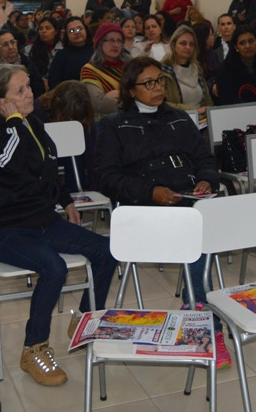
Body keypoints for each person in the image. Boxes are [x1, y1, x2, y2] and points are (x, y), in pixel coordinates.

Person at [0, 65, 115, 386]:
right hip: (3, 229)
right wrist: (14, 121)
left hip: (43, 221)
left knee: (107, 251)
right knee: (54, 268)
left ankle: (83, 321)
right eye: (20, 90)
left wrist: (66, 201)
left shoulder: (34, 124)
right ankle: (33, 348)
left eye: (29, 86)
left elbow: (49, 169)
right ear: (0, 101)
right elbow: (6, 162)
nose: (30, 94)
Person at [92, 57, 230, 368]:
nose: (158, 88)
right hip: (143, 211)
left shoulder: (179, 119)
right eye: (149, 83)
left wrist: (207, 180)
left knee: (202, 225)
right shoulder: (114, 125)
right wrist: (149, 191)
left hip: (186, 203)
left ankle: (198, 309)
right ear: (131, 90)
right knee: (195, 232)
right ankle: (206, 323)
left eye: (160, 81)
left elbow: (205, 159)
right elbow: (105, 178)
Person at [160, 24, 212, 116]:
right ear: (173, 45)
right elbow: (162, 103)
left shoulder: (197, 68)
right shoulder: (163, 71)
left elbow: (207, 99)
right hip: (176, 118)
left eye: (191, 44)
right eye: (183, 43)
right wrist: (194, 110)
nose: (188, 47)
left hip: (201, 119)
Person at [80, 22, 129, 117]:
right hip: (105, 121)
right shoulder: (89, 70)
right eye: (111, 40)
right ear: (100, 42)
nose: (116, 45)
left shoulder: (129, 66)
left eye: (119, 41)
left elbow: (143, 93)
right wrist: (131, 99)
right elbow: (99, 104)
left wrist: (119, 96)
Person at [47, 15, 93, 89]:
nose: (77, 32)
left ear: (86, 30)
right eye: (71, 31)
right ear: (67, 35)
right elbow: (53, 82)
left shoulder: (96, 52)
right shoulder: (61, 55)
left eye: (79, 29)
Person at [25, 16, 62, 94]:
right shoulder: (30, 50)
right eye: (41, 29)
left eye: (48, 28)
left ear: (56, 31)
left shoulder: (63, 49)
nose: (43, 31)